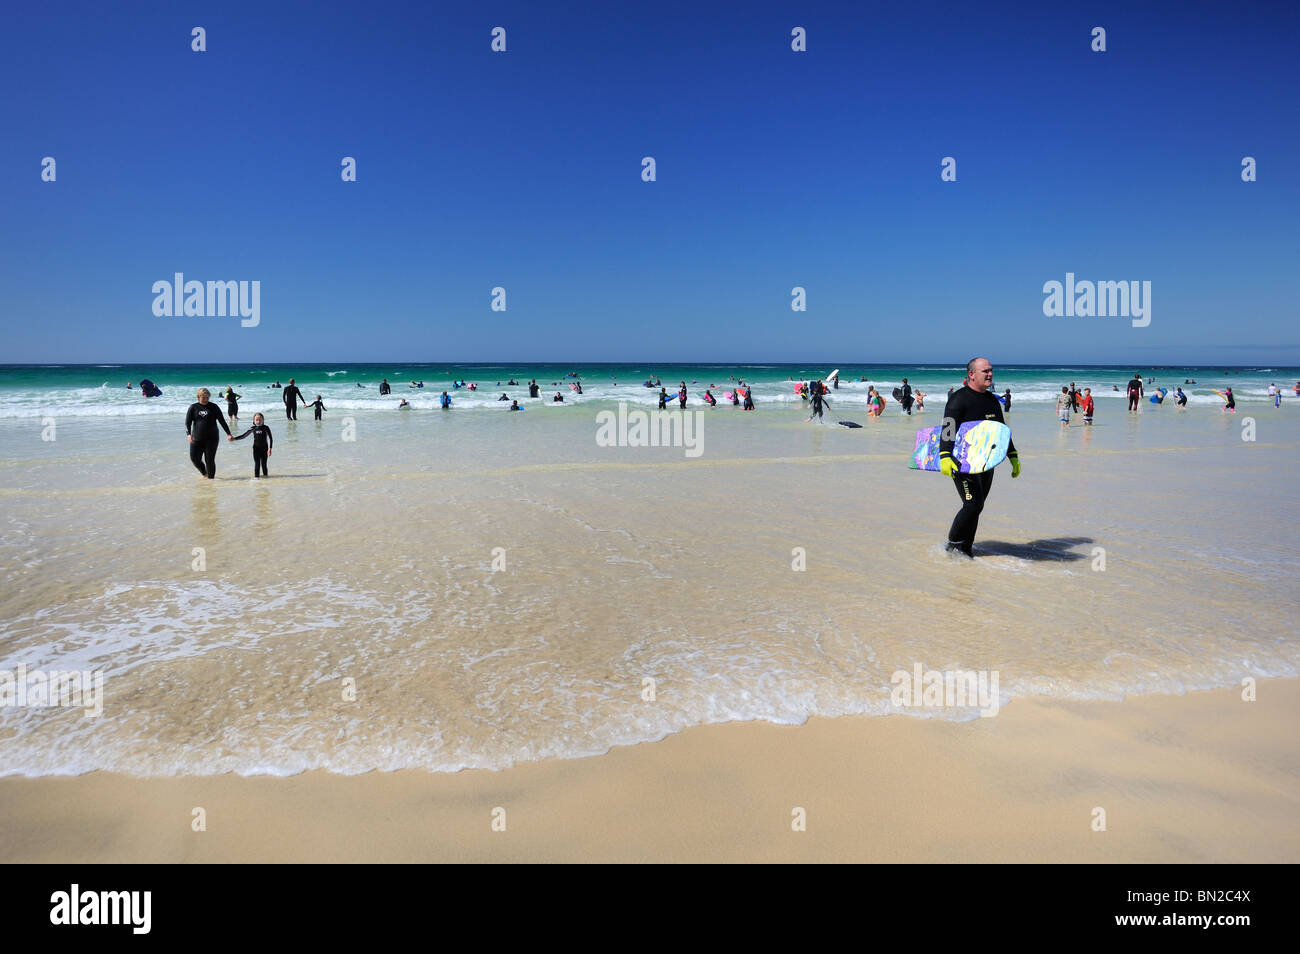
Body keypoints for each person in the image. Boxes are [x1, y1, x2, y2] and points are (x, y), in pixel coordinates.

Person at [940, 357, 1019, 557]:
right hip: (962, 462)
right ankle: (952, 545)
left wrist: (1012, 455)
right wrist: (945, 455)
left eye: (991, 370)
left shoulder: (992, 400)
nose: (990, 374)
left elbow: (1002, 431)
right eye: (985, 371)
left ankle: (966, 549)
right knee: (972, 504)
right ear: (971, 375)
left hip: (986, 462)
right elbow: (948, 429)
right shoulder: (959, 399)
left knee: (978, 506)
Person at [185, 388, 232, 479]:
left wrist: (228, 433)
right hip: (197, 438)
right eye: (204, 397)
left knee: (209, 460)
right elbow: (188, 422)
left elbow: (222, 421)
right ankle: (204, 473)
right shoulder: (193, 407)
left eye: (207, 397)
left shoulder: (214, 407)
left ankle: (211, 480)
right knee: (194, 458)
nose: (206, 399)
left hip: (212, 438)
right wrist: (189, 434)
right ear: (198, 397)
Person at [231, 412, 273, 477]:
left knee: (264, 464)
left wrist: (270, 448)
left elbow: (270, 438)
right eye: (256, 420)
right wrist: (234, 439)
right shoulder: (253, 428)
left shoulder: (266, 428)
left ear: (263, 420)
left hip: (264, 449)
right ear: (254, 421)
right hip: (256, 449)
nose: (258, 421)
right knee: (257, 464)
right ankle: (257, 479)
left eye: (260, 420)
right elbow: (244, 435)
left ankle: (266, 479)